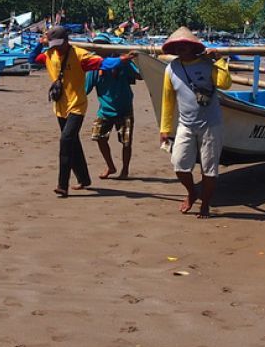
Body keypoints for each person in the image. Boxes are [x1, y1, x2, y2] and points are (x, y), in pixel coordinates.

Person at [29, 25, 136, 197]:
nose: (56, 48)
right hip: (59, 106)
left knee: (65, 140)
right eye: (53, 45)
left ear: (66, 41)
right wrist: (40, 44)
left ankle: (62, 185)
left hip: (77, 106)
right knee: (73, 143)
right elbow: (32, 58)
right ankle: (84, 179)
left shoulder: (79, 55)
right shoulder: (49, 55)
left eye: (58, 45)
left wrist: (121, 60)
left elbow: (103, 63)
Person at [158, 27, 231, 219]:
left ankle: (205, 204)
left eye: (185, 45)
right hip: (186, 124)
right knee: (179, 165)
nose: (182, 48)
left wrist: (220, 60)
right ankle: (192, 192)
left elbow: (225, 83)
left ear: (192, 47)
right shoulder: (171, 69)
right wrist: (165, 128)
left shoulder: (208, 65)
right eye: (178, 45)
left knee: (209, 169)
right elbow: (168, 100)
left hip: (211, 125)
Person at [86, 33, 141, 180]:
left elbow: (139, 75)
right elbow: (85, 89)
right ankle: (110, 166)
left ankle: (125, 170)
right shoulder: (94, 67)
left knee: (126, 142)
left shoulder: (123, 62)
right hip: (105, 109)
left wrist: (136, 60)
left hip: (124, 108)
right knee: (98, 137)